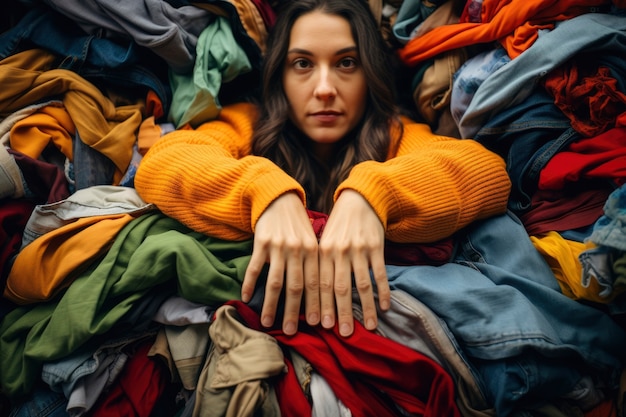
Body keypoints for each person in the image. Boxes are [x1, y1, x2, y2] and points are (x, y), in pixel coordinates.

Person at [134, 0, 511, 337]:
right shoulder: (251, 124)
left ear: (369, 75)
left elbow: (486, 170)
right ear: (279, 76)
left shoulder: (392, 134)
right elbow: (167, 159)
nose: (325, 88)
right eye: (303, 64)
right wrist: (267, 194)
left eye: (346, 63)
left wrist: (372, 195)